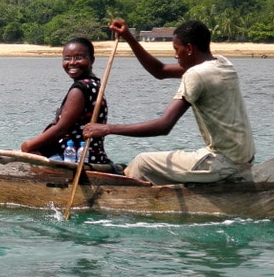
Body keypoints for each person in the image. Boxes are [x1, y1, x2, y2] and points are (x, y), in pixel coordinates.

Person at [83, 18, 255, 185]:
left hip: (223, 162)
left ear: (189, 49)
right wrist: (128, 37)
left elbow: (164, 126)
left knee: (142, 162)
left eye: (176, 49)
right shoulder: (222, 62)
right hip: (245, 157)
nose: (174, 55)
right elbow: (160, 71)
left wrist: (107, 129)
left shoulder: (196, 75)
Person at [20, 37, 113, 166]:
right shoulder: (95, 84)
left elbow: (61, 129)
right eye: (67, 58)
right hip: (95, 155)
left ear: (92, 60)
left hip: (76, 157)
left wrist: (29, 145)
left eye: (79, 57)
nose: (72, 63)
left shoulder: (80, 89)